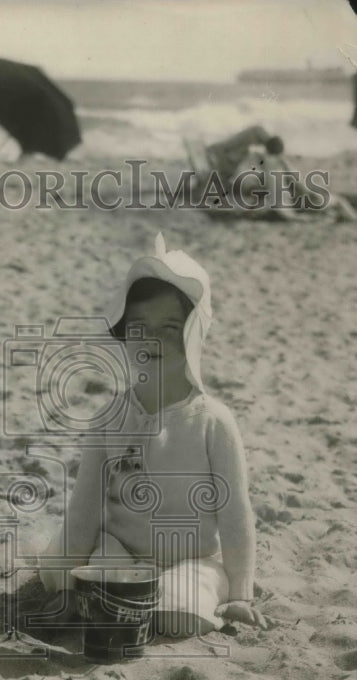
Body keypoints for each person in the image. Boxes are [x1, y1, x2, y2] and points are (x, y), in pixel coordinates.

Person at [38, 233, 267, 637]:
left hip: (193, 560)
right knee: (90, 586)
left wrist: (241, 594)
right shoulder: (109, 419)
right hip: (120, 552)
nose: (151, 339)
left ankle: (189, 595)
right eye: (139, 327)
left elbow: (235, 514)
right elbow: (85, 508)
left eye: (170, 327)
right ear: (124, 334)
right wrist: (66, 586)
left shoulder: (213, 421)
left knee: (179, 616)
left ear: (194, 334)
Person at [205, 125, 284, 193]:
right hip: (221, 157)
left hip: (226, 157)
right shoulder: (253, 136)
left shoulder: (257, 134)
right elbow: (230, 144)